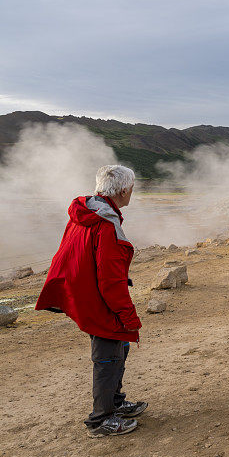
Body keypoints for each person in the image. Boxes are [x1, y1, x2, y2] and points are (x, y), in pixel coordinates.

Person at [36, 165, 147, 437]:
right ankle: (101, 420)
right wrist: (129, 317)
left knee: (118, 349)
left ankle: (115, 403)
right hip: (99, 303)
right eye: (132, 187)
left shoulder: (87, 211)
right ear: (123, 191)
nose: (133, 191)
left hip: (85, 295)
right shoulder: (105, 224)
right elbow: (110, 282)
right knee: (108, 357)